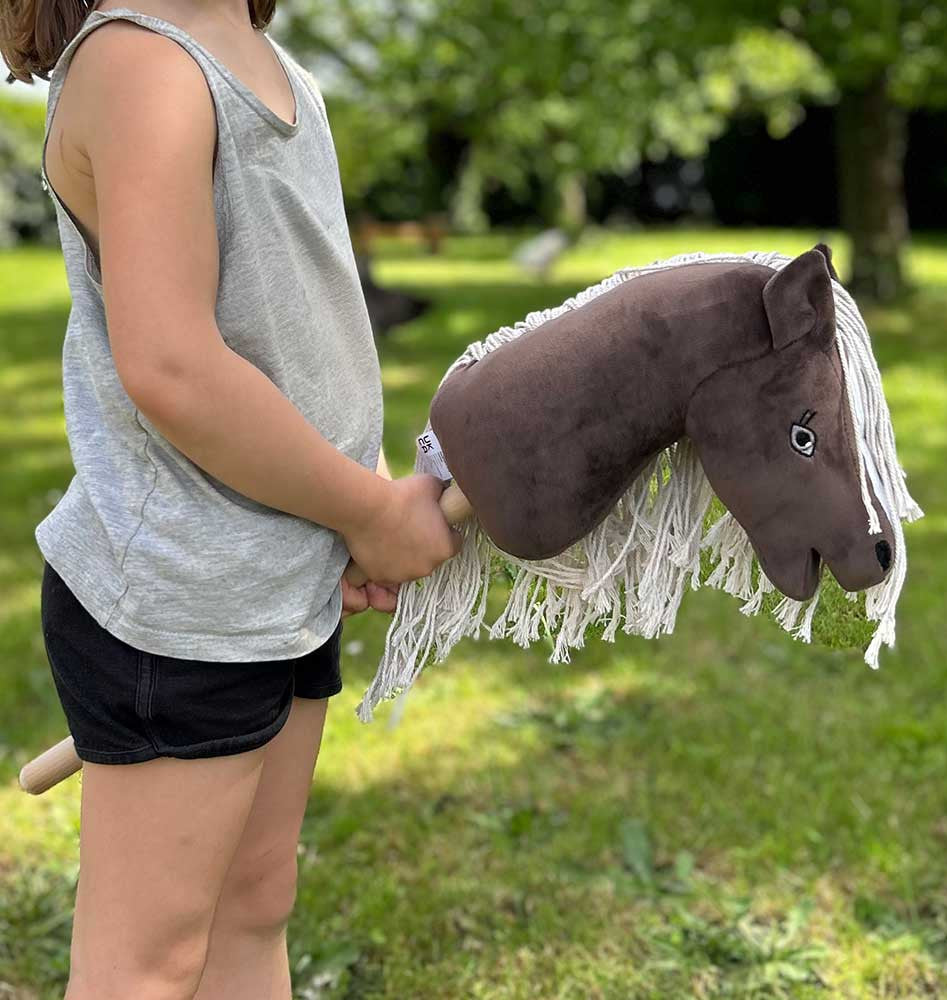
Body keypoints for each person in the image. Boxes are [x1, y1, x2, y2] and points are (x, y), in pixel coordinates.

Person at [1, 0, 462, 996]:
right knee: (149, 959)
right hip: (180, 604)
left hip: (271, 582)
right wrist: (368, 512)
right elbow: (172, 367)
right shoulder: (140, 66)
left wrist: (354, 495)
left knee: (253, 903)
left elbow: (299, 337)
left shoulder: (273, 69)